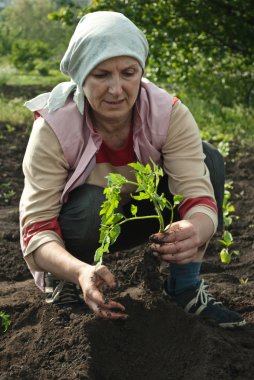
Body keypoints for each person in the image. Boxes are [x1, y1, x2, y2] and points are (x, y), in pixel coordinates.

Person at [20, 11, 245, 328]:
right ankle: (67, 285)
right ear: (82, 77)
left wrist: (195, 228)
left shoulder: (167, 114)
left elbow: (198, 195)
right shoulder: (55, 128)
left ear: (141, 72)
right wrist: (78, 271)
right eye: (101, 75)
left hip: (147, 219)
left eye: (128, 73)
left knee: (210, 159)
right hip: (82, 229)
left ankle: (185, 288)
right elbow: (36, 230)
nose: (116, 89)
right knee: (89, 205)